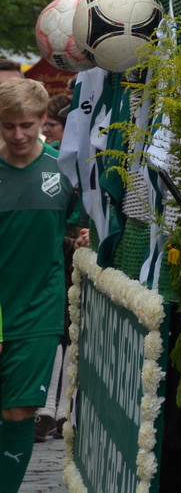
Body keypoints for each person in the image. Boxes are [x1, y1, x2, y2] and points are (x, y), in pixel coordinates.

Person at [0, 79, 82, 493]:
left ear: (43, 123)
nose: (18, 135)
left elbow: (84, 221)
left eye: (27, 126)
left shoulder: (63, 170)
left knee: (19, 411)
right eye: (8, 126)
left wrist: (86, 234)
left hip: (38, 311)